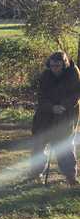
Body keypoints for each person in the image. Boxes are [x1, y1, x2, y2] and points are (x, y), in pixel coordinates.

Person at [31, 52, 80, 185]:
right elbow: (41, 96)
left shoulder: (74, 73)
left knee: (64, 144)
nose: (54, 69)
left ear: (64, 65)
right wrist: (51, 107)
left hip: (67, 113)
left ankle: (70, 177)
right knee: (39, 142)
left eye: (57, 66)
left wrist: (63, 106)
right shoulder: (46, 75)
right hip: (46, 114)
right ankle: (36, 174)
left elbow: (76, 94)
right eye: (52, 66)